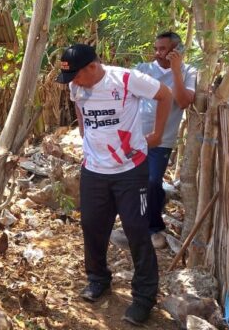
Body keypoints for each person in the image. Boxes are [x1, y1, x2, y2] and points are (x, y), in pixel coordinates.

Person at [57, 44, 171, 325]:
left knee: (136, 229)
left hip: (130, 169)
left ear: (92, 68)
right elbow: (79, 107)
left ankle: (144, 297)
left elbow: (165, 95)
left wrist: (156, 134)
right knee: (92, 227)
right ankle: (98, 279)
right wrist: (84, 133)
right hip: (94, 170)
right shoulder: (76, 86)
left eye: (76, 77)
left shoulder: (127, 79)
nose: (73, 83)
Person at [134, 32, 197, 249]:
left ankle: (154, 227)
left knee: (152, 181)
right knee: (136, 182)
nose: (157, 53)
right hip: (136, 138)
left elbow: (183, 101)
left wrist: (176, 70)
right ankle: (138, 222)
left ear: (176, 51)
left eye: (163, 49)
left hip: (162, 139)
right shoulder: (142, 69)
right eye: (156, 48)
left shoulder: (188, 72)